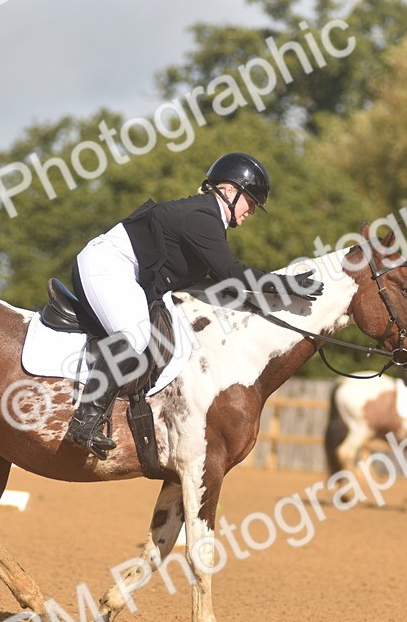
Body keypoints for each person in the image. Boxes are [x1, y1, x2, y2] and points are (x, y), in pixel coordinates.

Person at [65, 152, 325, 458]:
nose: (252, 211)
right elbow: (232, 273)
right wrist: (287, 285)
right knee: (134, 336)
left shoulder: (207, 219)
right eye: (251, 202)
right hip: (106, 266)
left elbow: (223, 284)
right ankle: (85, 421)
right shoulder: (201, 217)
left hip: (134, 276)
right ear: (229, 190)